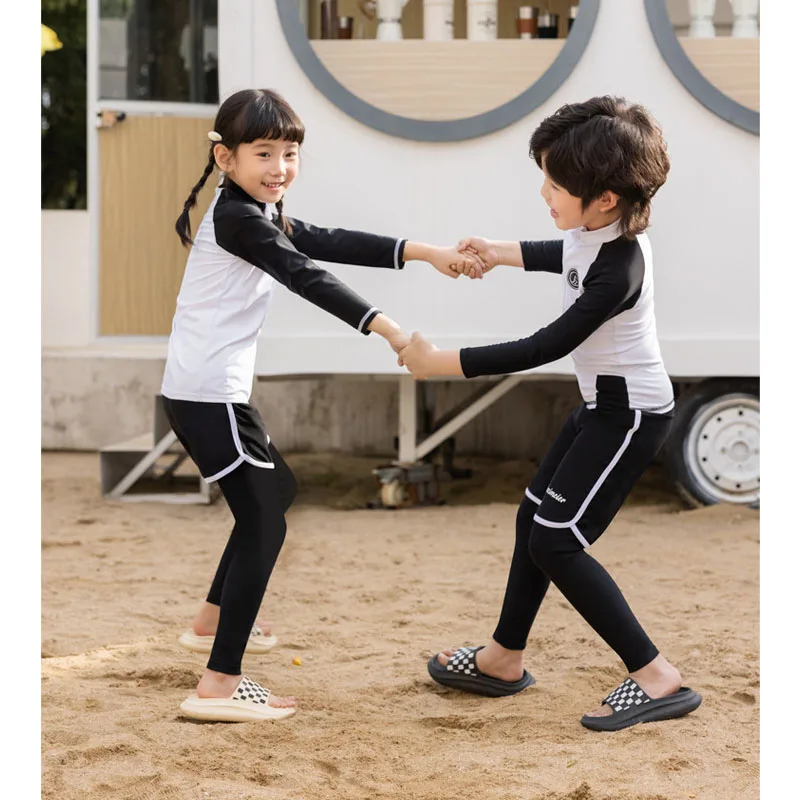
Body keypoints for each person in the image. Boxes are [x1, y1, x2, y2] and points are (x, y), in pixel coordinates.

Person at [163, 87, 482, 722]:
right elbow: (306, 275)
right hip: (208, 393)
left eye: (289, 153)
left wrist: (427, 253)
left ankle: (210, 623)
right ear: (225, 157)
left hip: (208, 391)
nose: (280, 167)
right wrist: (394, 333)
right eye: (264, 153)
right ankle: (219, 683)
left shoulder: (252, 211)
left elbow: (328, 241)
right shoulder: (239, 220)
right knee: (265, 520)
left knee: (274, 494)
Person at [400, 96, 702, 732]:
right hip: (599, 407)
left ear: (607, 199)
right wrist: (496, 251)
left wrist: (439, 363)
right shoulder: (596, 235)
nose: (544, 193)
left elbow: (547, 345)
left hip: (629, 417)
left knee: (557, 541)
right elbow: (558, 252)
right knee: (532, 519)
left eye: (556, 185)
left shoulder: (620, 267)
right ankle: (502, 659)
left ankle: (656, 675)